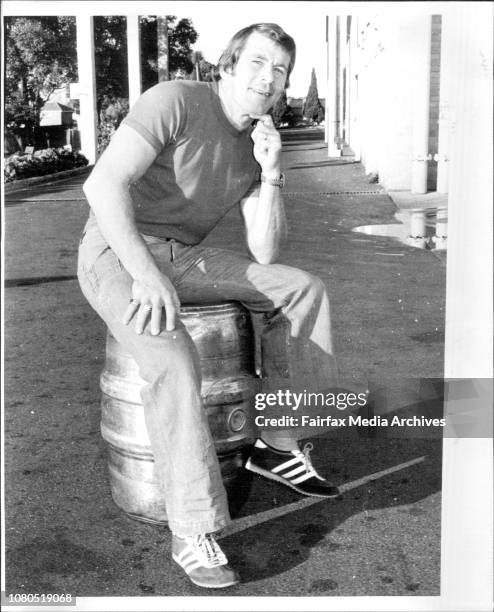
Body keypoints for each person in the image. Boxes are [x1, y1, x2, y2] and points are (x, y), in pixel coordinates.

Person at [78, 23, 340, 589]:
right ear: (228, 65)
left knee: (303, 289)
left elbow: (266, 249)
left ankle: (279, 443)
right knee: (172, 359)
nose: (268, 78)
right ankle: (192, 529)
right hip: (114, 249)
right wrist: (146, 276)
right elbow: (101, 188)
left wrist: (271, 173)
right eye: (257, 63)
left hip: (184, 257)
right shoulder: (175, 100)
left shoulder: (257, 141)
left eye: (280, 71)